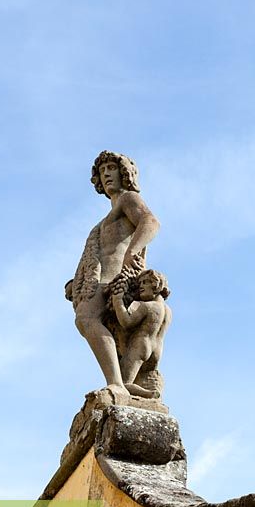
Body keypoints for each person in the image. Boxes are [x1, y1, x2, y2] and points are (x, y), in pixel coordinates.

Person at [66, 151, 160, 396]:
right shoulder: (106, 218)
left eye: (111, 168)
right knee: (87, 321)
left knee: (85, 319)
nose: (106, 174)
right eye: (102, 171)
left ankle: (117, 384)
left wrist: (132, 252)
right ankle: (122, 381)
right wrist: (77, 282)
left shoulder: (128, 199)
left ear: (125, 172)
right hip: (99, 280)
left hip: (115, 279)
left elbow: (150, 222)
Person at [111, 270, 171, 398]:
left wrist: (118, 302)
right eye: (140, 284)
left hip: (140, 346)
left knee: (121, 383)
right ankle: (147, 392)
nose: (141, 287)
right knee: (139, 380)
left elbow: (126, 322)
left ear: (156, 285)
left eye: (145, 282)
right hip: (157, 351)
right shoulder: (168, 311)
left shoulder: (147, 306)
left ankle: (148, 394)